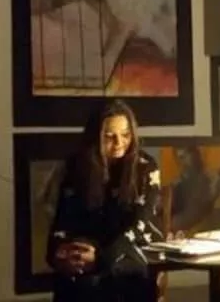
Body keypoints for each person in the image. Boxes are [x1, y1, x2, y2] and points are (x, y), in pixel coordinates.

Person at [46, 99, 164, 302]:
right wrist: (61, 253)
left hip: (130, 249)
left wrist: (101, 258)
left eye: (125, 135)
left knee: (104, 278)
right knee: (74, 278)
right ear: (95, 137)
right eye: (109, 136)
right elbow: (63, 220)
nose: (119, 143)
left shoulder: (145, 167)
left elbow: (139, 224)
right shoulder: (76, 167)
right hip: (90, 246)